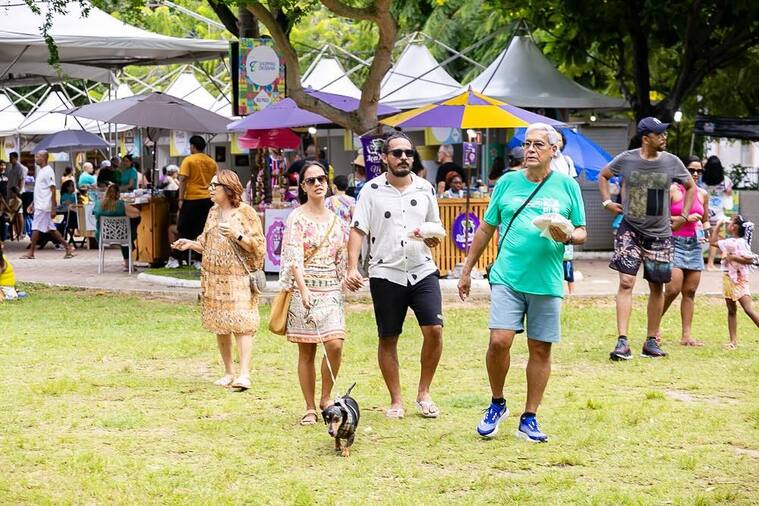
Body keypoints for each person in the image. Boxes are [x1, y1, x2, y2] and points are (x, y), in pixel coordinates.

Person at [458, 122, 587, 443]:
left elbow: (582, 231)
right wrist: (466, 269)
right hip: (508, 277)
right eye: (527, 144)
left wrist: (569, 233)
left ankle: (529, 417)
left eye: (538, 145)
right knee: (499, 341)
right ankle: (497, 402)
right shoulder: (507, 183)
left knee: (540, 348)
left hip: (546, 280)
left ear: (553, 151)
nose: (530, 150)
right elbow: (487, 228)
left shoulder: (566, 187)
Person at [345, 132, 444, 420]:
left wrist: (433, 239)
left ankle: (424, 393)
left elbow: (434, 228)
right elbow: (357, 229)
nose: (404, 158)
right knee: (388, 337)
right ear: (385, 158)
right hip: (386, 271)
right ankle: (396, 400)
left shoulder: (426, 188)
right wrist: (353, 267)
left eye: (408, 153)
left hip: (422, 268)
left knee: (434, 330)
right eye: (397, 153)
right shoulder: (371, 191)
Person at [599, 117, 697, 360]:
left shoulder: (672, 162)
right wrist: (607, 202)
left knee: (657, 286)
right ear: (646, 138)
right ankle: (622, 341)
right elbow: (603, 176)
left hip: (660, 233)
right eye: (659, 134)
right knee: (626, 283)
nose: (664, 137)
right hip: (630, 229)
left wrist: (684, 215)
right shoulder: (627, 159)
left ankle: (651, 341)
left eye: (664, 133)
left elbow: (691, 186)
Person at [173, 170, 265, 390]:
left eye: (215, 186)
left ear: (228, 188)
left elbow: (259, 246)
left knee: (242, 324)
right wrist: (190, 244)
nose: (210, 189)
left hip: (238, 277)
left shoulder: (246, 212)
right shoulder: (213, 212)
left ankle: (244, 374)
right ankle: (228, 372)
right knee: (221, 324)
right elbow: (205, 242)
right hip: (214, 277)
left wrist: (237, 235)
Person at [280, 161, 348, 425]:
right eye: (311, 180)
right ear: (303, 186)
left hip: (330, 287)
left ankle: (326, 397)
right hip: (304, 288)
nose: (318, 184)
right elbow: (292, 257)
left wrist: (348, 278)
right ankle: (309, 406)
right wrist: (303, 288)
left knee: (335, 344)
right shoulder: (297, 217)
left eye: (321, 179)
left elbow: (340, 257)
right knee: (306, 352)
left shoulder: (336, 220)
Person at [658, 156, 709, 346]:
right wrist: (686, 218)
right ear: (682, 170)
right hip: (674, 242)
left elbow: (704, 219)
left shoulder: (703, 194)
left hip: (695, 244)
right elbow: (662, 218)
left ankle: (687, 336)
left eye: (699, 171)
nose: (695, 174)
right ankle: (654, 327)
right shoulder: (672, 190)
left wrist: (707, 230)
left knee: (690, 291)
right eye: (691, 170)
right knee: (672, 289)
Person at [711, 215, 759, 349]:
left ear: (735, 227)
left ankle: (733, 341)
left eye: (730, 222)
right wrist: (718, 226)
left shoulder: (741, 243)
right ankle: (733, 342)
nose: (728, 223)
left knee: (748, 309)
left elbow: (750, 260)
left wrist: (732, 257)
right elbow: (712, 241)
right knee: (731, 310)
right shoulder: (728, 241)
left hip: (740, 279)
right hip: (728, 279)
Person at [20, 151, 75, 260]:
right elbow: (40, 190)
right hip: (40, 204)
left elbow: (53, 189)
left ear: (44, 158)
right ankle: (68, 247)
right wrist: (32, 203)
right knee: (51, 229)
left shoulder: (48, 171)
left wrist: (53, 207)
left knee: (35, 227)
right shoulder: (41, 171)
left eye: (38, 156)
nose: (35, 158)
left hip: (44, 206)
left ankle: (31, 252)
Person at [177, 135, 217, 268]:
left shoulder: (188, 160)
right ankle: (200, 259)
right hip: (208, 200)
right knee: (203, 230)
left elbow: (182, 180)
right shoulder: (211, 162)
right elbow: (217, 180)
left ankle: (180, 258)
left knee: (183, 228)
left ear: (193, 146)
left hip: (191, 199)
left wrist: (181, 199)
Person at [93, 184, 140, 272]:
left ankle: (127, 263)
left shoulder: (98, 204)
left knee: (125, 230)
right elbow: (137, 213)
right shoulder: (121, 204)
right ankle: (127, 263)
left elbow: (95, 217)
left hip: (103, 236)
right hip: (122, 234)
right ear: (118, 193)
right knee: (129, 226)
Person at [702, 155, 734, 271]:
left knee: (705, 236)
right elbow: (729, 198)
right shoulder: (725, 180)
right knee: (714, 238)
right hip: (718, 214)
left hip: (704, 213)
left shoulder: (702, 179)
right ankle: (710, 264)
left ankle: (700, 261)